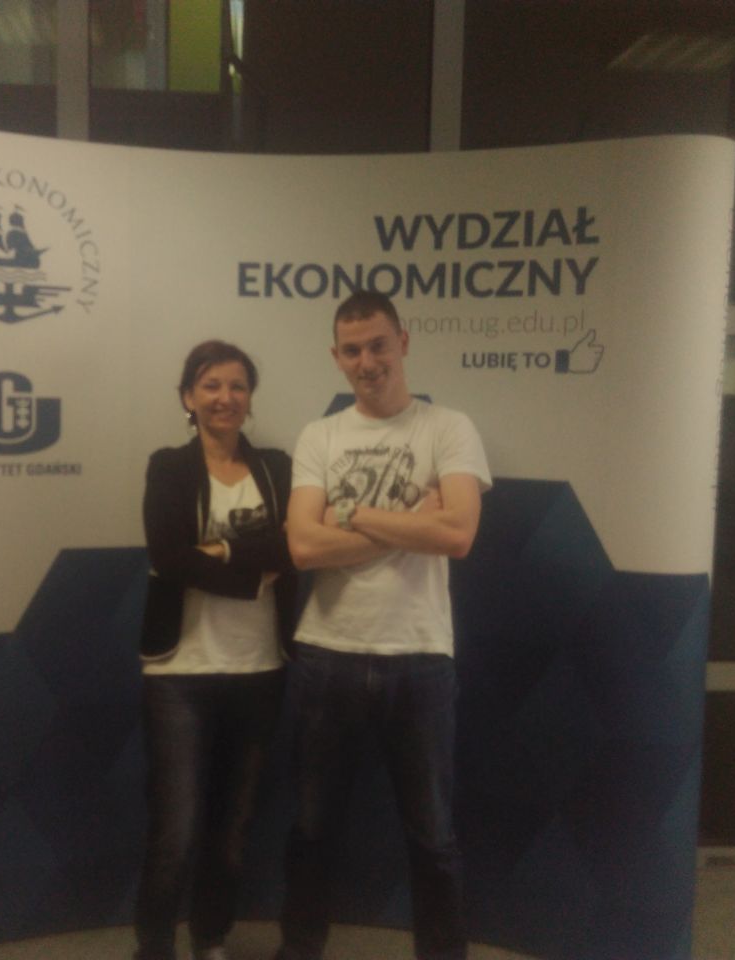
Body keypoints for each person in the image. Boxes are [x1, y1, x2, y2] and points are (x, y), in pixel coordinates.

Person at [276, 291, 491, 960]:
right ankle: (299, 951)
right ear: (336, 357)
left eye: (377, 344)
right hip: (326, 654)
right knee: (312, 829)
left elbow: (457, 535)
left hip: (419, 656)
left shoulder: (448, 428)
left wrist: (351, 515)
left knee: (433, 838)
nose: (367, 361)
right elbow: (302, 548)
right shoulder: (320, 435)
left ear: (404, 341)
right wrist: (409, 522)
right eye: (352, 350)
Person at [135, 340, 298, 960]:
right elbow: (169, 558)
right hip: (180, 672)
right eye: (210, 385)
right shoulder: (168, 468)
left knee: (232, 830)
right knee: (175, 831)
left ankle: (210, 941)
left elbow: (295, 548)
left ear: (249, 398)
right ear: (188, 397)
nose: (224, 397)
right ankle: (154, 949)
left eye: (236, 386)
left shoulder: (277, 469)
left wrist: (223, 550)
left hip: (259, 670)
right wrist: (256, 576)